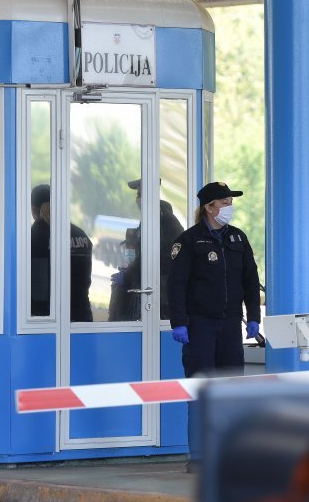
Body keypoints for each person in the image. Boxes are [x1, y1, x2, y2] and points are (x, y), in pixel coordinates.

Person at [167, 181, 262, 470]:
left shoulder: (238, 240)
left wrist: (254, 316)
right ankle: (198, 456)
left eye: (231, 202)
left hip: (231, 326)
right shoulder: (189, 241)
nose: (229, 207)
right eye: (225, 202)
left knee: (231, 393)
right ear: (209, 207)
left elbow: (250, 281)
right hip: (200, 328)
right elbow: (176, 285)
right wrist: (179, 323)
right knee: (200, 392)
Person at [110, 179, 185, 321]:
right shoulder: (150, 217)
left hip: (162, 292)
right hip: (156, 287)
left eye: (142, 194)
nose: (138, 199)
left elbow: (154, 255)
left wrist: (128, 275)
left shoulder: (162, 219)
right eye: (137, 195)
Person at [30, 184, 93, 322]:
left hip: (47, 319)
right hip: (81, 315)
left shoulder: (35, 236)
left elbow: (38, 288)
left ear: (35, 209)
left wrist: (40, 222)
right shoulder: (81, 235)